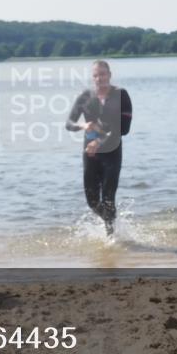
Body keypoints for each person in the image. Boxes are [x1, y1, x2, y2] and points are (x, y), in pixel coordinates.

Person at [66, 61, 133, 235]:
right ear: (92, 77)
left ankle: (111, 237)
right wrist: (82, 125)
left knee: (108, 199)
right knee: (93, 202)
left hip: (112, 152)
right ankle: (111, 223)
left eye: (102, 74)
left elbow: (124, 129)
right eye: (95, 75)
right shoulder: (85, 96)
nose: (99, 78)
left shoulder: (121, 95)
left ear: (109, 75)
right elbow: (69, 123)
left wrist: (99, 142)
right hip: (89, 155)